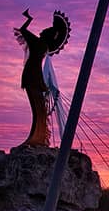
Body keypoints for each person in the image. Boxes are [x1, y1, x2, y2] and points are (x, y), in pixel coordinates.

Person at [15, 9, 72, 147]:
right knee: (39, 108)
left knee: (38, 108)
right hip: (35, 77)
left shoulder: (39, 43)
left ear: (48, 35)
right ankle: (37, 136)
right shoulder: (43, 46)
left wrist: (29, 19)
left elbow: (23, 30)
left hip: (32, 76)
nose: (42, 31)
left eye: (46, 30)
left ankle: (37, 137)